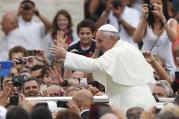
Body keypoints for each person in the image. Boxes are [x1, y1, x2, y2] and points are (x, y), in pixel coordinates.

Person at [50, 24, 156, 112]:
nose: (98, 46)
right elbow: (151, 81)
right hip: (147, 101)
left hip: (129, 104)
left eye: (100, 41)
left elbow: (93, 65)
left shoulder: (117, 51)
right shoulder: (131, 49)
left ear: (112, 38)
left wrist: (66, 55)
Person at [133, 0, 178, 72]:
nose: (155, 6)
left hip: (167, 68)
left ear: (164, 6)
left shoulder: (171, 22)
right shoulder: (145, 22)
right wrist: (144, 17)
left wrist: (163, 18)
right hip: (148, 67)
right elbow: (135, 39)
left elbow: (173, 38)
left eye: (158, 3)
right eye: (152, 4)